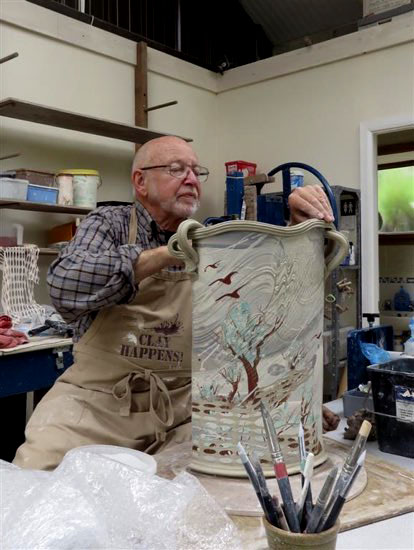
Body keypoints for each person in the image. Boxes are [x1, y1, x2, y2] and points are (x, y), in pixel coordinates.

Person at [13, 136, 336, 470]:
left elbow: (267, 301)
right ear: (141, 181)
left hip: (182, 412)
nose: (192, 179)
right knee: (37, 483)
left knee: (213, 493)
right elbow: (66, 284)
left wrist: (299, 225)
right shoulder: (109, 223)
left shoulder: (211, 239)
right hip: (97, 409)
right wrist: (167, 254)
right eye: (176, 169)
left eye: (197, 172)